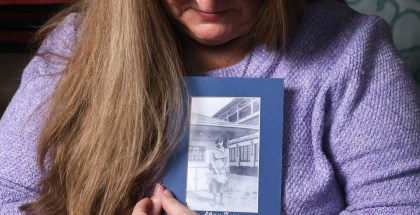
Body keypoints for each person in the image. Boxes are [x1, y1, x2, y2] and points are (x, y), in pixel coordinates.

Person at [0, 0, 419, 214]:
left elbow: (403, 205)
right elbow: (7, 193)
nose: (209, 1)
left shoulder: (352, 48)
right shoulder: (79, 44)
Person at [209, 137, 229, 206]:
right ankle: (214, 201)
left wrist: (224, 169)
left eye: (221, 142)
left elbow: (227, 161)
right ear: (217, 143)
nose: (220, 144)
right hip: (215, 170)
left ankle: (221, 201)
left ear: (222, 142)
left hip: (223, 170)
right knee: (214, 185)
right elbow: (211, 160)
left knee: (222, 185)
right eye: (219, 142)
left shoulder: (225, 150)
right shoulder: (213, 150)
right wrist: (215, 170)